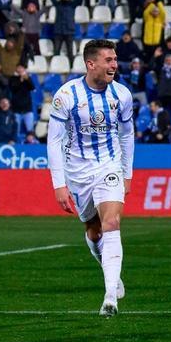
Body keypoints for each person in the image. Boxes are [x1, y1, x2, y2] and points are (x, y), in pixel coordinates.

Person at [46, 40, 135, 317]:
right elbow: (53, 142)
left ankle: (110, 297)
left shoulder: (122, 95)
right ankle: (110, 273)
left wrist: (127, 172)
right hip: (77, 172)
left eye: (115, 59)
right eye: (108, 60)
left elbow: (127, 134)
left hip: (109, 166)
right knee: (94, 230)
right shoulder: (67, 95)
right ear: (91, 64)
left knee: (112, 221)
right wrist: (58, 184)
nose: (114, 65)